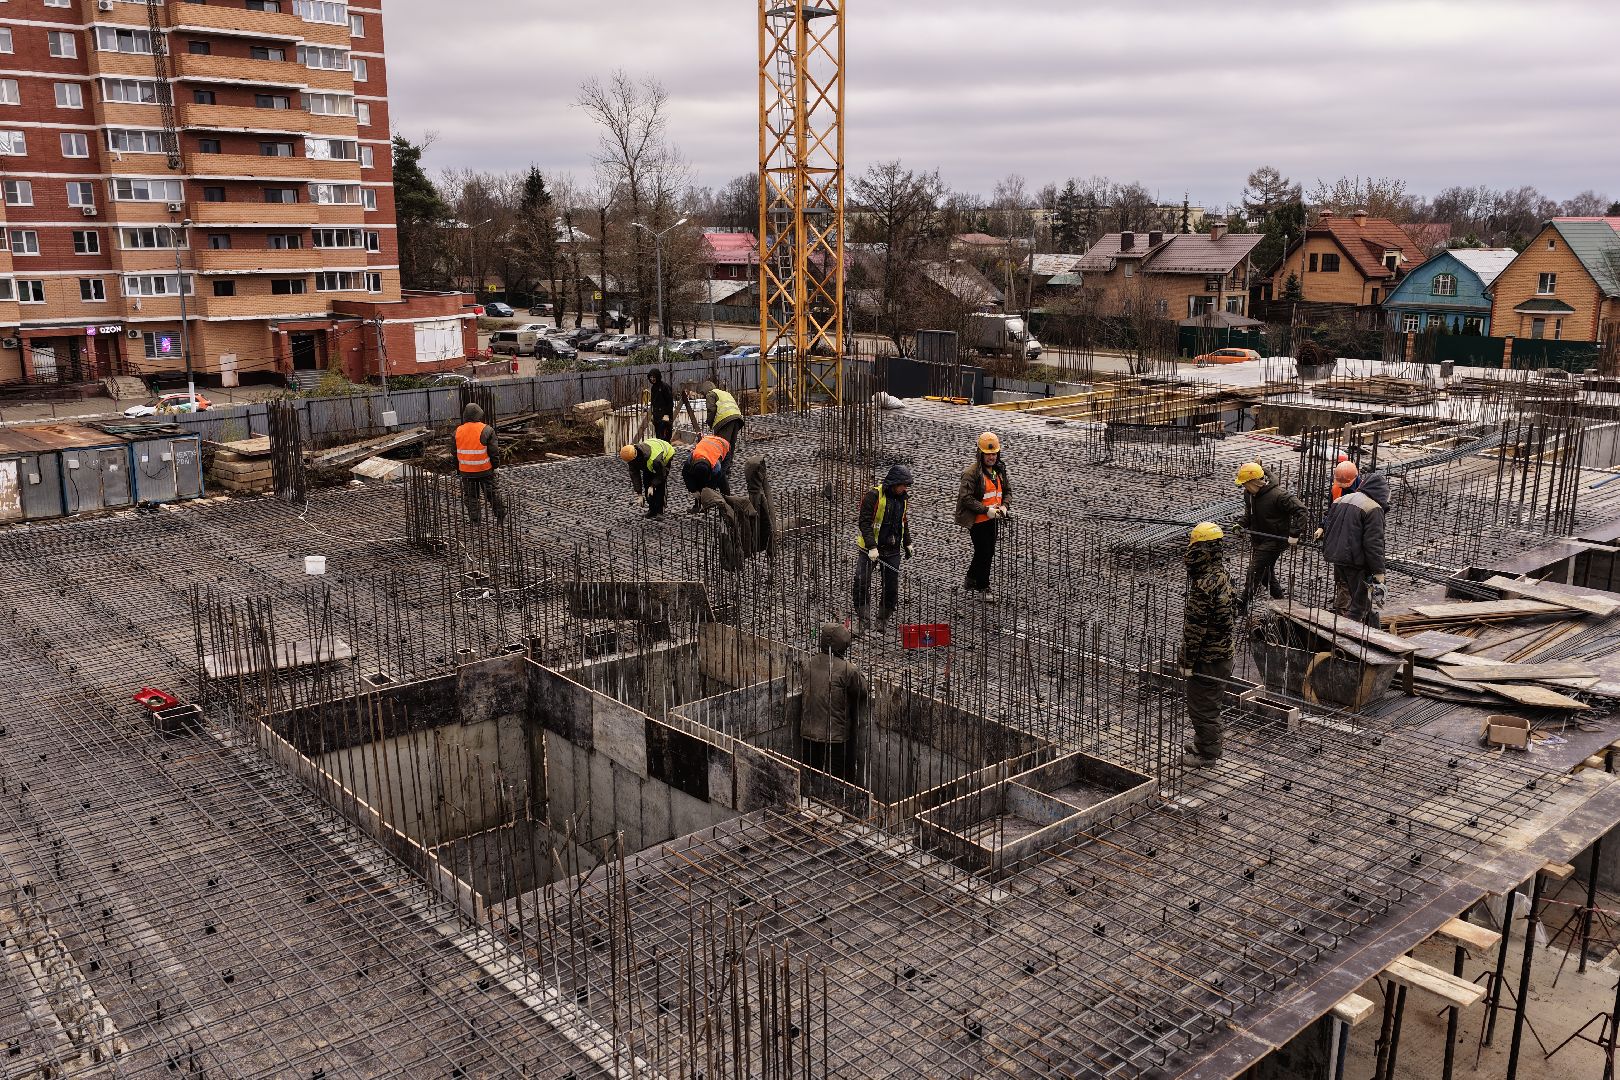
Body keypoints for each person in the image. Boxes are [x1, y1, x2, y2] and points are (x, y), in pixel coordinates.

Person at [1180, 522, 1236, 768]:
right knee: (1208, 703)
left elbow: (1194, 630)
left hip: (1209, 658)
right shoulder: (1221, 574)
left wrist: (1186, 662)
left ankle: (1207, 755)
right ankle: (1204, 744)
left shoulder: (1203, 585)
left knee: (1203, 708)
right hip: (1223, 654)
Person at [1318, 461, 1390, 626]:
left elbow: (1330, 525)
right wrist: (1379, 571)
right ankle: (1344, 638)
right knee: (1360, 606)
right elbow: (1374, 544)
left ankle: (1374, 632)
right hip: (1355, 561)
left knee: (1363, 602)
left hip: (1336, 556)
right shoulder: (1373, 508)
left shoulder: (1341, 500)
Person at [800, 621, 868, 783]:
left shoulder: (808, 663)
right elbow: (862, 691)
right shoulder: (848, 670)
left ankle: (811, 803)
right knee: (835, 782)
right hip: (834, 737)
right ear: (844, 644)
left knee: (811, 778)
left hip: (808, 732)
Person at [1234, 461, 1305, 607]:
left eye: (1245, 484)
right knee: (1266, 574)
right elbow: (1250, 513)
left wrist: (1294, 533)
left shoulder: (1279, 495)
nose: (1243, 487)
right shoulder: (1249, 494)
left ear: (1255, 482)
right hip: (1259, 538)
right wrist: (1241, 524)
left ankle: (1243, 603)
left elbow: (1302, 511)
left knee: (1254, 570)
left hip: (1275, 540)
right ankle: (1281, 600)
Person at [853, 465, 913, 637]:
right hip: (870, 550)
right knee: (861, 582)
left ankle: (882, 621)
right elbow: (864, 522)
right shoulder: (874, 496)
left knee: (891, 587)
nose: (905, 488)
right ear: (893, 483)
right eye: (903, 485)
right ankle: (863, 620)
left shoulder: (903, 498)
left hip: (892, 549)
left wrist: (907, 543)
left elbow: (903, 522)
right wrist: (872, 546)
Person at [955, 431, 1010, 602]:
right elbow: (966, 498)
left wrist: (1005, 506)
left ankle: (971, 578)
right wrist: (986, 510)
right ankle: (983, 586)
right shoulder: (971, 473)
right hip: (977, 521)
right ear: (980, 454)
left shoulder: (999, 470)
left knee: (985, 551)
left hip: (993, 519)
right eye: (988, 454)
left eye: (994, 454)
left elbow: (1007, 491)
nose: (991, 457)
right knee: (985, 552)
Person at [454, 402, 507, 525]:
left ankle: (475, 520)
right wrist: (496, 466)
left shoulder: (458, 431)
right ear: (479, 415)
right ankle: (500, 517)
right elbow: (493, 451)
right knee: (492, 493)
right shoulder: (487, 430)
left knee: (471, 497)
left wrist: (458, 469)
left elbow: (454, 454)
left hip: (466, 472)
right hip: (485, 470)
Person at [619, 437, 675, 518]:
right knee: (646, 482)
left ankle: (660, 511)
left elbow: (661, 474)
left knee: (660, 485)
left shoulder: (655, 459)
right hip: (649, 459)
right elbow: (635, 476)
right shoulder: (631, 457)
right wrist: (639, 494)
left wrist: (653, 486)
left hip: (665, 456)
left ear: (635, 457)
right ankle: (652, 510)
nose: (630, 464)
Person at [680, 432, 732, 503]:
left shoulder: (716, 467)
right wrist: (693, 490)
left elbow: (714, 481)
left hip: (724, 446)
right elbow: (685, 474)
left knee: (722, 479)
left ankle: (727, 504)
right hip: (708, 441)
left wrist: (708, 492)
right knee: (699, 481)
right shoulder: (691, 460)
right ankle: (698, 504)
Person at [703, 380, 745, 452]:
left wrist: (709, 423)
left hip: (725, 420)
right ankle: (729, 462)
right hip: (738, 418)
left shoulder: (710, 394)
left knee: (722, 444)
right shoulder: (725, 393)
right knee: (731, 444)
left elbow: (711, 410)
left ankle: (722, 462)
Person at [647, 368, 674, 442]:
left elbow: (670, 402)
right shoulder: (653, 388)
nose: (652, 379)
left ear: (658, 377)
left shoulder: (664, 386)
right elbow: (654, 403)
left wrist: (667, 415)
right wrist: (652, 414)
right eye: (651, 377)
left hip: (665, 416)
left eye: (654, 377)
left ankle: (667, 452)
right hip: (657, 416)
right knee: (659, 437)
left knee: (666, 436)